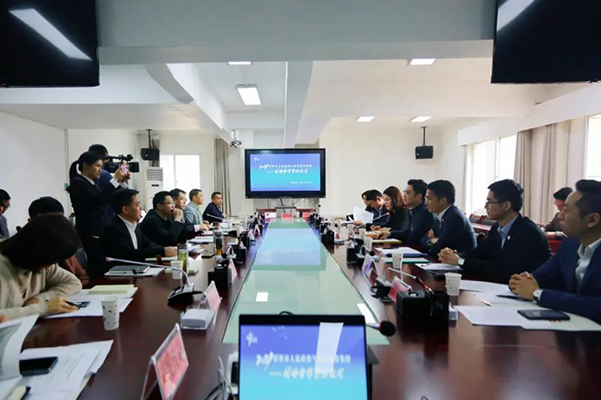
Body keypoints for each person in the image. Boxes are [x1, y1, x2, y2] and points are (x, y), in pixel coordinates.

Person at [509, 180, 601, 322]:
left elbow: (597, 306)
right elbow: (544, 277)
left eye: (566, 210)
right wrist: (522, 281)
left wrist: (538, 293)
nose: (559, 216)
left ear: (592, 220)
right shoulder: (570, 244)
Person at [439, 179, 551, 283]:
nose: (485, 206)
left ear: (506, 205)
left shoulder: (528, 233)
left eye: (489, 202)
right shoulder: (496, 228)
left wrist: (461, 261)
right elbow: (478, 254)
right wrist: (454, 255)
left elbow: (505, 270)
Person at [0, 214, 83, 319]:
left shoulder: (41, 264)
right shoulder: (4, 267)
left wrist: (40, 299)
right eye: (49, 262)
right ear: (37, 252)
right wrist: (42, 308)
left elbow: (74, 283)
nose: (49, 267)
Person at [67, 151, 127, 278]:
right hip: (89, 233)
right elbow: (98, 199)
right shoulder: (78, 183)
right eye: (98, 166)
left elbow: (110, 198)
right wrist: (114, 179)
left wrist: (121, 181)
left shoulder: (92, 183)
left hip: (97, 232)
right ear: (86, 166)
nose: (100, 170)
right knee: (97, 269)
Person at [102, 189, 177, 267]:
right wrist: (162, 251)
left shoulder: (134, 226)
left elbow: (149, 244)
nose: (141, 208)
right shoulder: (112, 229)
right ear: (125, 210)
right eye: (137, 205)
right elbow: (128, 255)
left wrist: (168, 249)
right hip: (119, 272)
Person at [28, 197, 90, 285]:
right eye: (53, 222)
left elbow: (82, 275)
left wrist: (80, 286)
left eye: (61, 220)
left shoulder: (63, 243)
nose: (58, 226)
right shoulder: (30, 252)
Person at [419, 180, 476, 258]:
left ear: (443, 200)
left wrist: (434, 241)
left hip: (461, 262)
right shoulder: (440, 215)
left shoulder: (454, 217)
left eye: (429, 199)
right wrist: (432, 240)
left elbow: (438, 249)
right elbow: (423, 240)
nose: (425, 203)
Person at [377, 179, 435, 248]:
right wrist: (390, 233)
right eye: (404, 192)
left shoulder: (425, 212)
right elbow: (406, 232)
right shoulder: (412, 211)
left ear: (418, 196)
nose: (404, 196)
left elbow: (413, 238)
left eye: (407, 193)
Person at [89, 144, 131, 225]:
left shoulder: (92, 175)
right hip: (106, 218)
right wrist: (124, 169)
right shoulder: (103, 174)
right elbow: (123, 192)